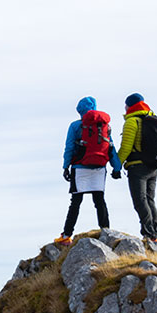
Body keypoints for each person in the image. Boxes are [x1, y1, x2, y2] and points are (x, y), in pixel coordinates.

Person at [55, 96, 122, 247]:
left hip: (80, 168)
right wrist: (116, 168)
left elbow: (69, 148)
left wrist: (65, 167)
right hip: (99, 168)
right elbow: (110, 147)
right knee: (99, 201)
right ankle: (106, 231)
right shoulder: (104, 126)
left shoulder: (75, 126)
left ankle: (66, 236)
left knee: (75, 203)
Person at [117, 92, 157, 243]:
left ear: (130, 106)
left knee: (140, 201)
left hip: (137, 168)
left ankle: (149, 234)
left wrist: (117, 166)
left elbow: (126, 148)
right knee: (150, 200)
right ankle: (155, 234)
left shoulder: (132, 122)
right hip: (153, 167)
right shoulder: (152, 119)